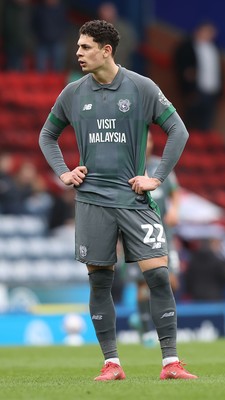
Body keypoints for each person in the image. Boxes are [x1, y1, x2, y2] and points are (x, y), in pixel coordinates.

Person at [39, 19, 197, 381]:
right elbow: (47, 135)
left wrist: (156, 178)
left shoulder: (141, 87)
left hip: (133, 198)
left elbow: (178, 130)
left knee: (158, 276)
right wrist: (65, 171)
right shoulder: (72, 93)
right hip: (92, 201)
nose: (77, 53)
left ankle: (170, 363)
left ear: (106, 50)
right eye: (78, 47)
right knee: (100, 282)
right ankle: (112, 363)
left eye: (85, 47)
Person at [127, 132, 181, 346]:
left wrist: (175, 210)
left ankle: (146, 320)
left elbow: (175, 193)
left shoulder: (160, 166)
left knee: (171, 281)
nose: (145, 143)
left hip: (164, 234)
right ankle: (146, 327)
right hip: (137, 234)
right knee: (143, 283)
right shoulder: (128, 166)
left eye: (148, 139)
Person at [174, 21, 223, 131]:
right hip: (195, 91)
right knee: (190, 122)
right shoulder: (188, 46)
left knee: (205, 125)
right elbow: (183, 68)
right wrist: (188, 87)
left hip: (211, 92)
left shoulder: (214, 49)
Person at [97, 2, 138, 70]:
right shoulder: (97, 28)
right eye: (103, 14)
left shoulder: (124, 28)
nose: (106, 16)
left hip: (121, 65)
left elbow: (132, 43)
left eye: (108, 12)